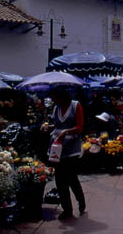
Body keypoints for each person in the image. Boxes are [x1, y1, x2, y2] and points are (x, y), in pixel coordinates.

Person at [45, 88, 86, 219]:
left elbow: (80, 127)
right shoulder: (56, 108)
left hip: (71, 148)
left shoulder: (76, 106)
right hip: (57, 148)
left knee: (71, 178)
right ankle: (67, 209)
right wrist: (49, 127)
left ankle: (81, 201)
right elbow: (56, 125)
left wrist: (67, 131)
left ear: (62, 97)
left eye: (55, 98)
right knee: (60, 180)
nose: (54, 101)